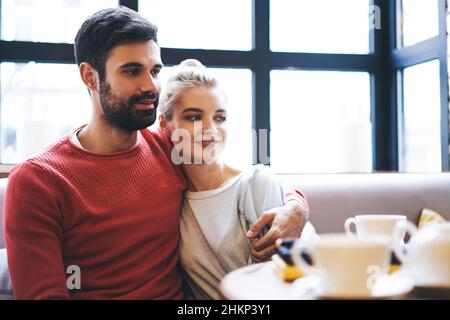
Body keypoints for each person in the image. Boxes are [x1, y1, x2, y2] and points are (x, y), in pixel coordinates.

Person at [3, 7, 308, 299]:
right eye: (132, 71)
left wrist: (296, 207)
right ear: (90, 76)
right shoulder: (38, 181)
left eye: (155, 70)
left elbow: (247, 180)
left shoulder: (167, 146)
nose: (150, 85)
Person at [158, 60, 314, 299]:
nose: (210, 128)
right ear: (165, 125)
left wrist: (297, 204)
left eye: (219, 118)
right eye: (193, 117)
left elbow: (282, 286)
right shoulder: (171, 199)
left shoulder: (256, 183)